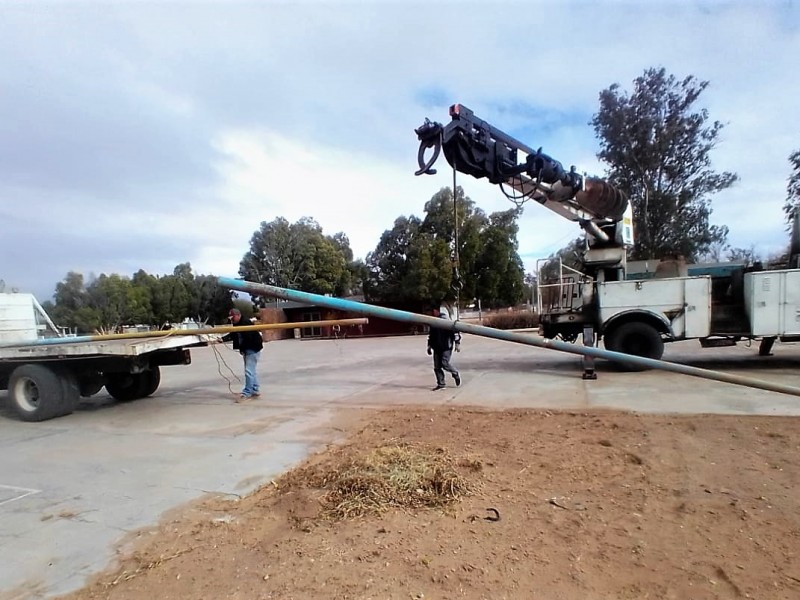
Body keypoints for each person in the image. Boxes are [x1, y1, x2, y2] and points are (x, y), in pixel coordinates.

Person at [220, 308, 264, 401]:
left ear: (238, 315)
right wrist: (222, 339)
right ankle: (255, 389)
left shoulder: (245, 322)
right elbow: (233, 334)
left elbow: (248, 338)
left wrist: (242, 349)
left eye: (233, 317)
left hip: (253, 348)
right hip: (248, 349)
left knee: (248, 371)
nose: (231, 319)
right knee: (251, 371)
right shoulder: (237, 323)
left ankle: (247, 393)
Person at [427, 307, 461, 391]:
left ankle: (455, 373)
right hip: (437, 346)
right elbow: (431, 335)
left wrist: (457, 343)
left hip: (446, 346)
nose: (432, 313)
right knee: (437, 367)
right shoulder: (433, 322)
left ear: (437, 311)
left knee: (444, 363)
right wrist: (429, 346)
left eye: (433, 311)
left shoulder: (445, 320)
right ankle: (441, 384)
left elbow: (455, 331)